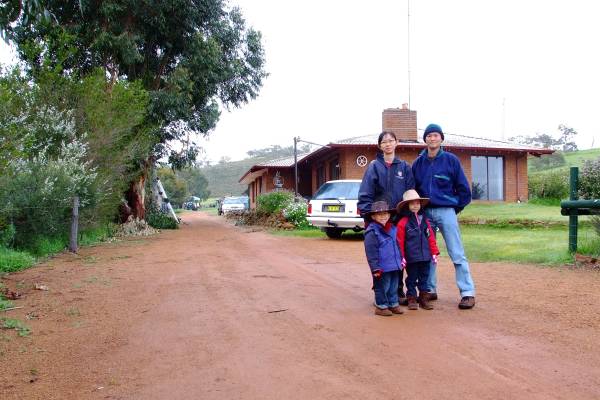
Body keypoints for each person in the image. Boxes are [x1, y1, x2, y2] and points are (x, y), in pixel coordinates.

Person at [411, 123, 476, 310]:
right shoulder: (418, 163)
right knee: (428, 253)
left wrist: (454, 208)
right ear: (425, 139)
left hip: (446, 211)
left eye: (435, 135)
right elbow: (413, 189)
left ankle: (467, 293)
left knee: (457, 252)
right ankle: (430, 289)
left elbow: (464, 189)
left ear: (441, 139)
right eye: (429, 136)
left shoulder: (451, 160)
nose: (432, 138)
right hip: (425, 213)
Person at [358, 131, 415, 302]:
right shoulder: (374, 167)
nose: (388, 144)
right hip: (378, 221)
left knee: (397, 256)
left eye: (391, 141)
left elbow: (409, 194)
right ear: (380, 146)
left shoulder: (404, 167)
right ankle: (380, 295)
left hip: (397, 221)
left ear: (397, 143)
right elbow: (365, 195)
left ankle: (397, 293)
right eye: (384, 142)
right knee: (379, 258)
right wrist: (370, 218)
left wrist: (406, 216)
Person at [396, 189, 440, 311]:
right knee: (411, 278)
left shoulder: (425, 221)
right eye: (412, 203)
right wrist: (402, 257)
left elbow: (431, 236)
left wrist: (434, 252)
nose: (415, 206)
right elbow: (400, 241)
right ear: (407, 206)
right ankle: (411, 298)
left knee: (424, 278)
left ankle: (424, 298)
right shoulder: (403, 223)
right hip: (411, 258)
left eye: (417, 203)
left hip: (425, 257)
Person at [363, 200, 404, 316]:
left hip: (395, 265)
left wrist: (401, 259)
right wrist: (375, 268)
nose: (383, 217)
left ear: (389, 215)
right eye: (379, 214)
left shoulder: (393, 229)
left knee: (394, 286)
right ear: (373, 216)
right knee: (382, 287)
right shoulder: (372, 232)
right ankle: (381, 306)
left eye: (385, 214)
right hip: (381, 267)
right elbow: (371, 252)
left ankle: (393, 304)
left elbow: (398, 245)